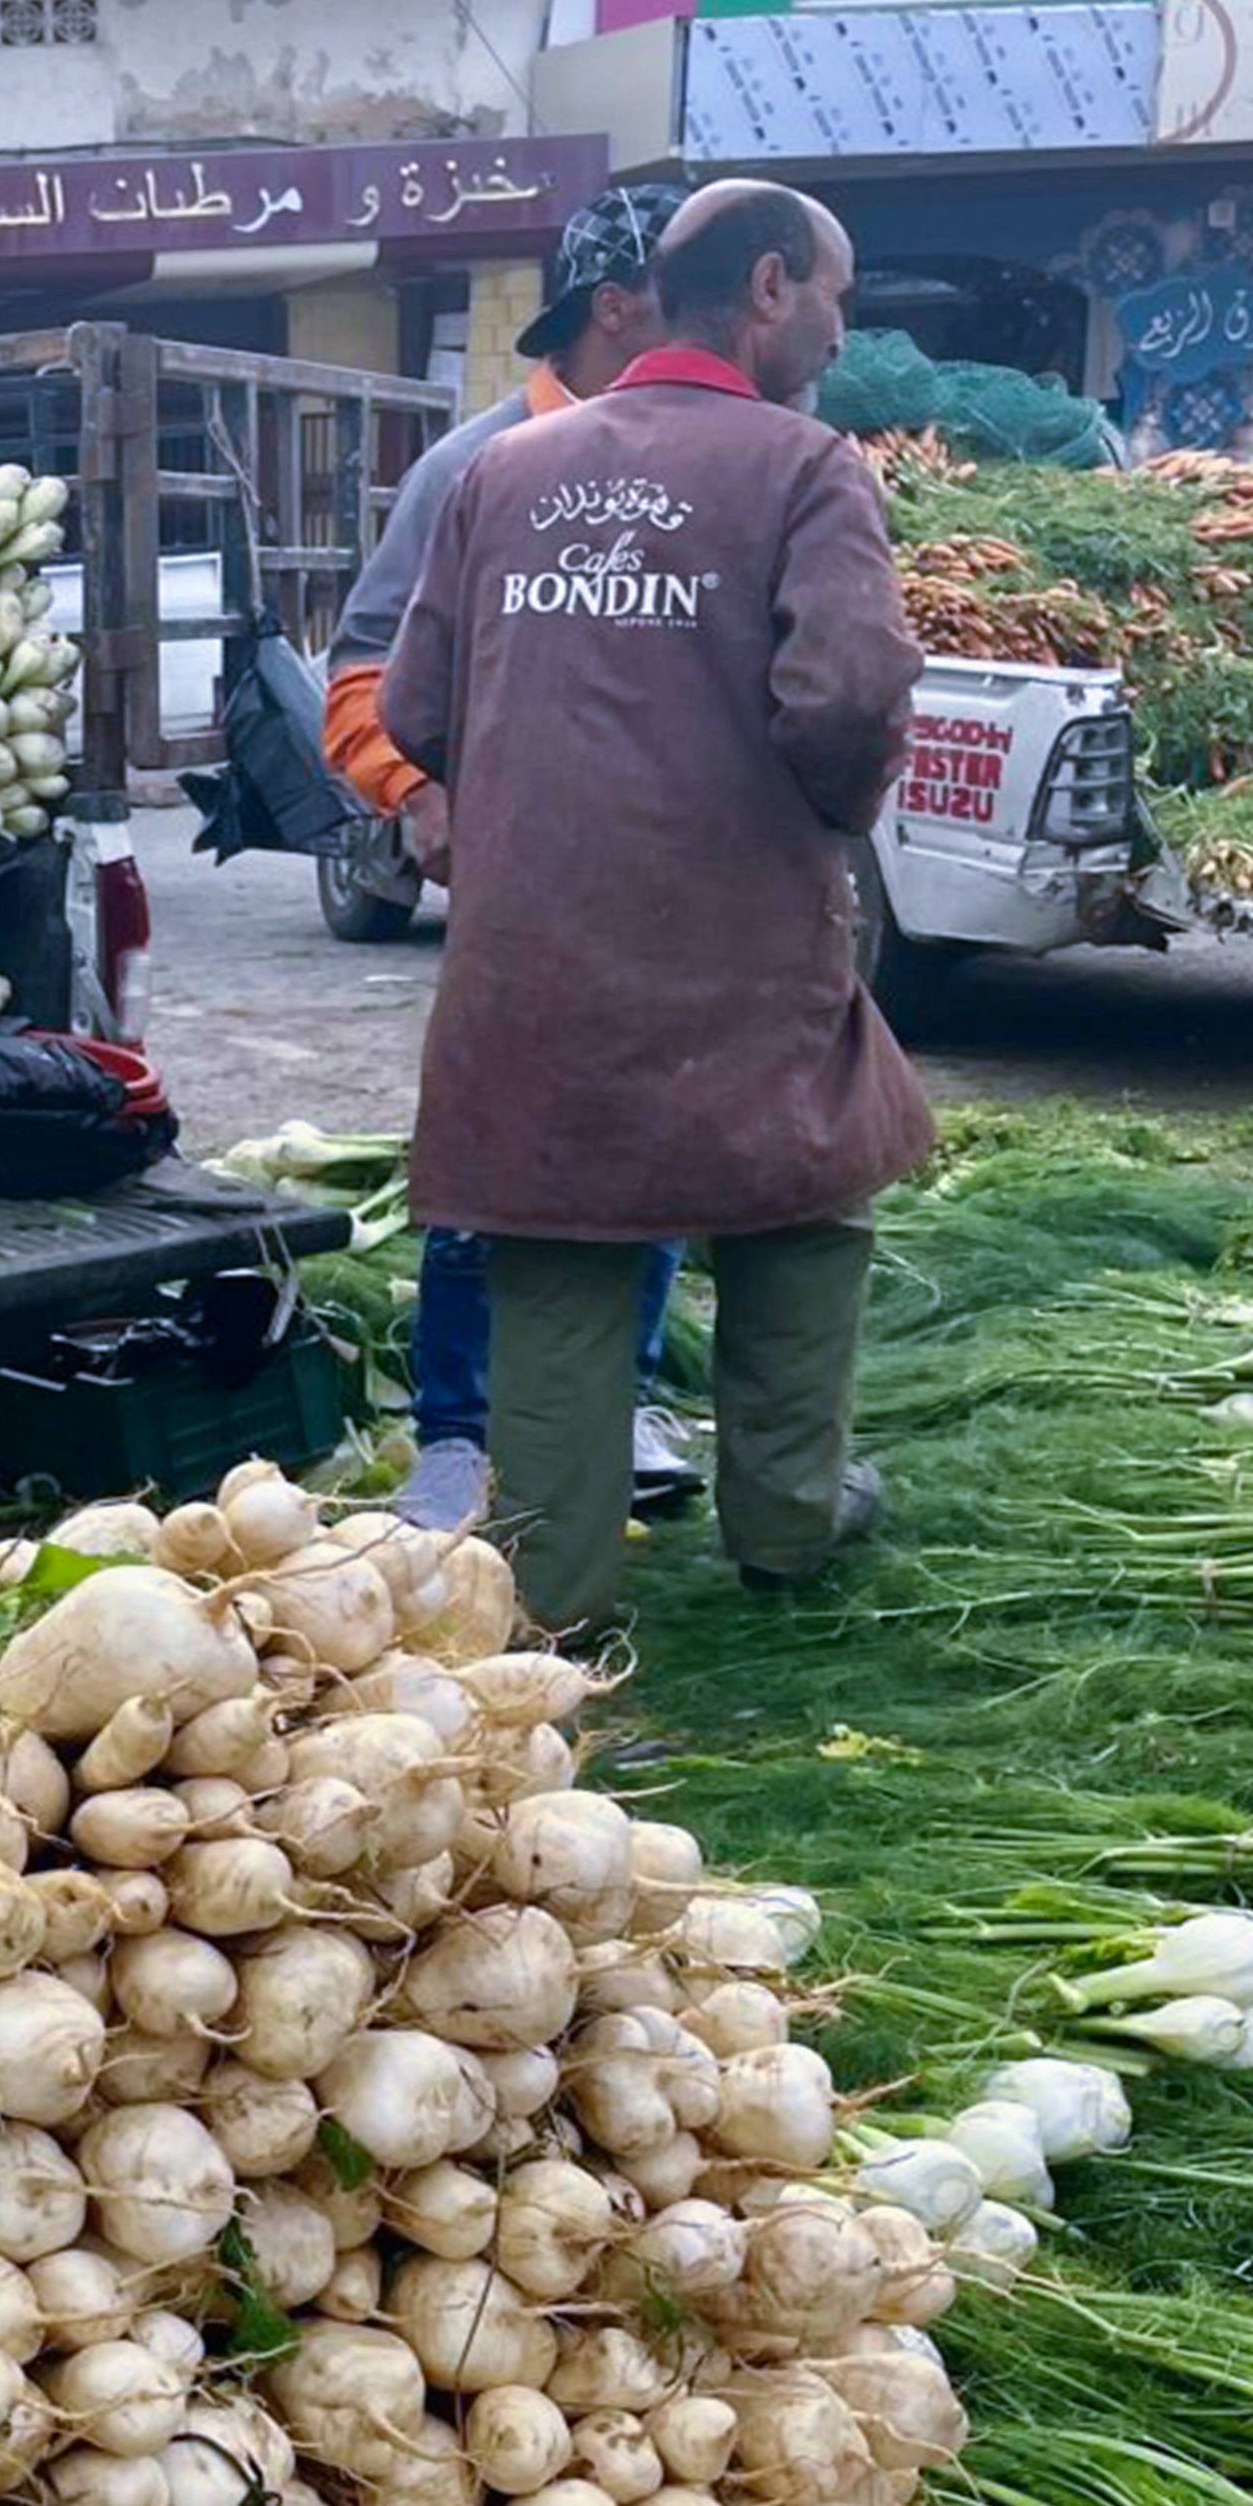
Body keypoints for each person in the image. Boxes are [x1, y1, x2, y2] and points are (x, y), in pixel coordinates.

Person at [379, 175, 932, 1639]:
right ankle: (787, 1524)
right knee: (802, 1210)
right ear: (766, 290)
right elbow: (855, 693)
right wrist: (820, 811)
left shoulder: (505, 472)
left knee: (555, 1241)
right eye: (836, 292)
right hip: (739, 937)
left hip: (535, 956)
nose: (839, 322)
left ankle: (555, 1594)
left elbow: (418, 702)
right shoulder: (809, 467)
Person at [322, 179, 696, 1538]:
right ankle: (460, 1432)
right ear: (618, 308)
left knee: (654, 1137)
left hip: (662, 887)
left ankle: (626, 1394)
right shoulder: (474, 467)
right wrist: (420, 796)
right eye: (686, 297)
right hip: (521, 888)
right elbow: (357, 678)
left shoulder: (714, 463)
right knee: (495, 1146)